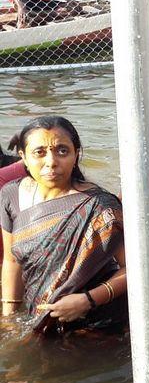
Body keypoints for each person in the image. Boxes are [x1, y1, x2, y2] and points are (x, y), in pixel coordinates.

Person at [1, 116, 127, 333]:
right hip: (38, 313)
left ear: (76, 154)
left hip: (95, 322)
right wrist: (10, 319)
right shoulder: (10, 196)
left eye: (62, 151)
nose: (51, 162)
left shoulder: (100, 206)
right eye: (39, 152)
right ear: (23, 157)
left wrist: (88, 300)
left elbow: (135, 268)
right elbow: (12, 262)